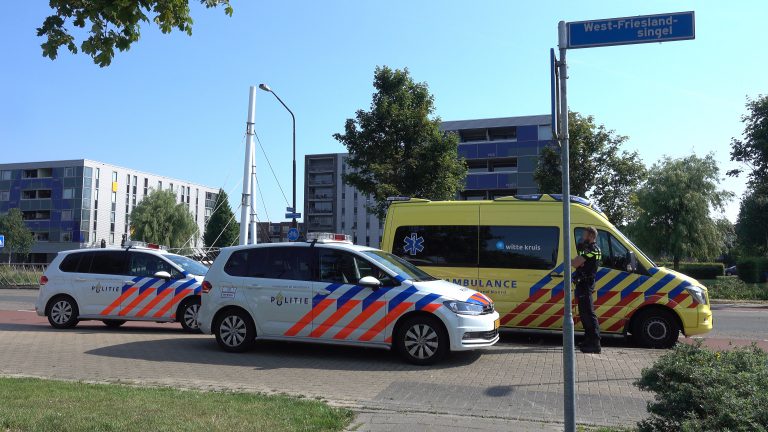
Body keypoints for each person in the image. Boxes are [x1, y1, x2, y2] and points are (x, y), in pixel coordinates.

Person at [571, 226, 602, 354]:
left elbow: (575, 263)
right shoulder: (590, 249)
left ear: (590, 235)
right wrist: (579, 261)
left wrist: (576, 261)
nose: (582, 237)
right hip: (583, 284)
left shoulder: (592, 249)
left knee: (589, 313)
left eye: (584, 234)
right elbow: (579, 262)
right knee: (584, 313)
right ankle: (588, 340)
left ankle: (595, 343)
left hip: (585, 284)